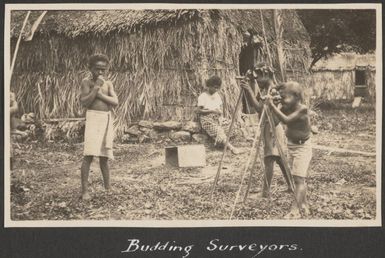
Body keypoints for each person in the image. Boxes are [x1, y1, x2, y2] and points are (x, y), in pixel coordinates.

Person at [267, 81, 312, 219]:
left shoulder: (302, 109)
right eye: (281, 96)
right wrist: (275, 104)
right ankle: (304, 205)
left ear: (297, 97)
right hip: (291, 146)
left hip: (302, 148)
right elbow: (274, 122)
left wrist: (273, 106)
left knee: (298, 179)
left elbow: (286, 120)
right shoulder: (286, 107)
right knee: (297, 178)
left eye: (285, 97)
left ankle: (295, 211)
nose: (283, 99)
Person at [241, 77, 291, 198]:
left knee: (269, 159)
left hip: (272, 128)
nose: (256, 83)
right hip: (269, 128)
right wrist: (250, 91)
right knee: (280, 159)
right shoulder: (266, 91)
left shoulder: (275, 92)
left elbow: (259, 108)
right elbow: (259, 106)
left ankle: (265, 192)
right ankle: (291, 185)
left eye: (257, 80)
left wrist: (250, 91)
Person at [79, 54, 119, 200]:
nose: (100, 73)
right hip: (93, 119)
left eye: (103, 69)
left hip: (106, 120)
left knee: (104, 156)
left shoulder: (108, 84)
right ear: (90, 69)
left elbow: (115, 102)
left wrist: (100, 95)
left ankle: (108, 188)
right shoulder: (86, 82)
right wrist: (95, 88)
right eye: (97, 69)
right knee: (88, 155)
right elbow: (85, 102)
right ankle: (85, 191)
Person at [196, 75, 242, 154]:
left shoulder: (217, 95)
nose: (216, 89)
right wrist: (212, 111)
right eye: (214, 87)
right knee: (219, 131)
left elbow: (220, 108)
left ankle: (220, 143)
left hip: (218, 118)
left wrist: (219, 113)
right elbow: (198, 111)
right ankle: (231, 148)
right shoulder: (203, 96)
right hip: (207, 119)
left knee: (233, 127)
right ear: (209, 86)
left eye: (217, 88)